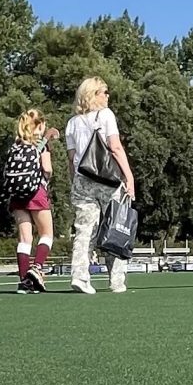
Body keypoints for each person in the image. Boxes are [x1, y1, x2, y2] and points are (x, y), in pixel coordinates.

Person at [64, 76, 136, 294]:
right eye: (104, 92)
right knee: (115, 225)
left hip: (82, 181)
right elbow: (115, 147)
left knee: (84, 230)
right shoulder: (106, 115)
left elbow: (72, 158)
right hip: (107, 179)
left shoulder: (72, 123)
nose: (108, 96)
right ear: (93, 94)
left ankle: (80, 276)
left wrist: (73, 182)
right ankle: (116, 279)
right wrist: (129, 177)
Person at [3, 108, 56, 292]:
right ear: (40, 125)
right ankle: (37, 267)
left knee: (24, 239)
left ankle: (24, 281)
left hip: (17, 195)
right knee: (46, 234)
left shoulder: (16, 145)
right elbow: (47, 169)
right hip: (36, 192)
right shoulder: (40, 144)